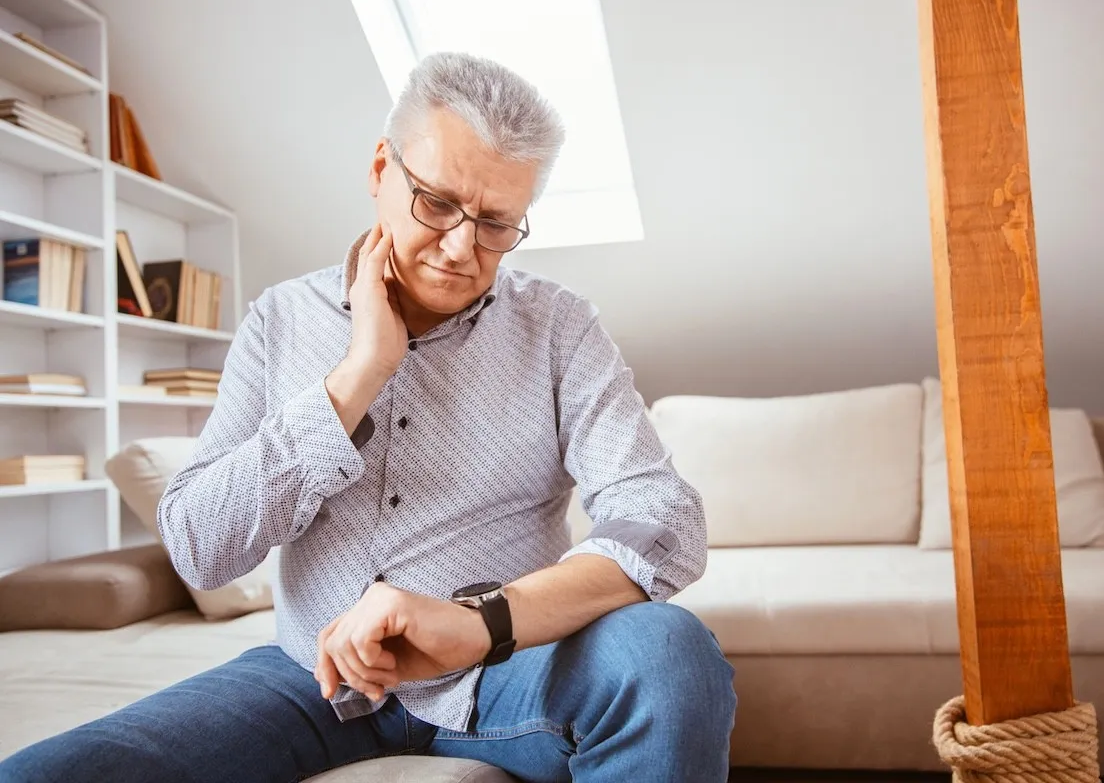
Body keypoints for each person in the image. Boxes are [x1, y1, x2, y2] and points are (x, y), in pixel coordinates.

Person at [0, 52, 736, 782]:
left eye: (495, 224)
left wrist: (482, 623)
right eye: (439, 203)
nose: (460, 248)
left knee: (665, 651)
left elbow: (664, 519)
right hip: (303, 682)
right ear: (382, 167)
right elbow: (197, 546)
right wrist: (357, 375)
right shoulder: (279, 319)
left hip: (501, 675)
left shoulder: (561, 328)